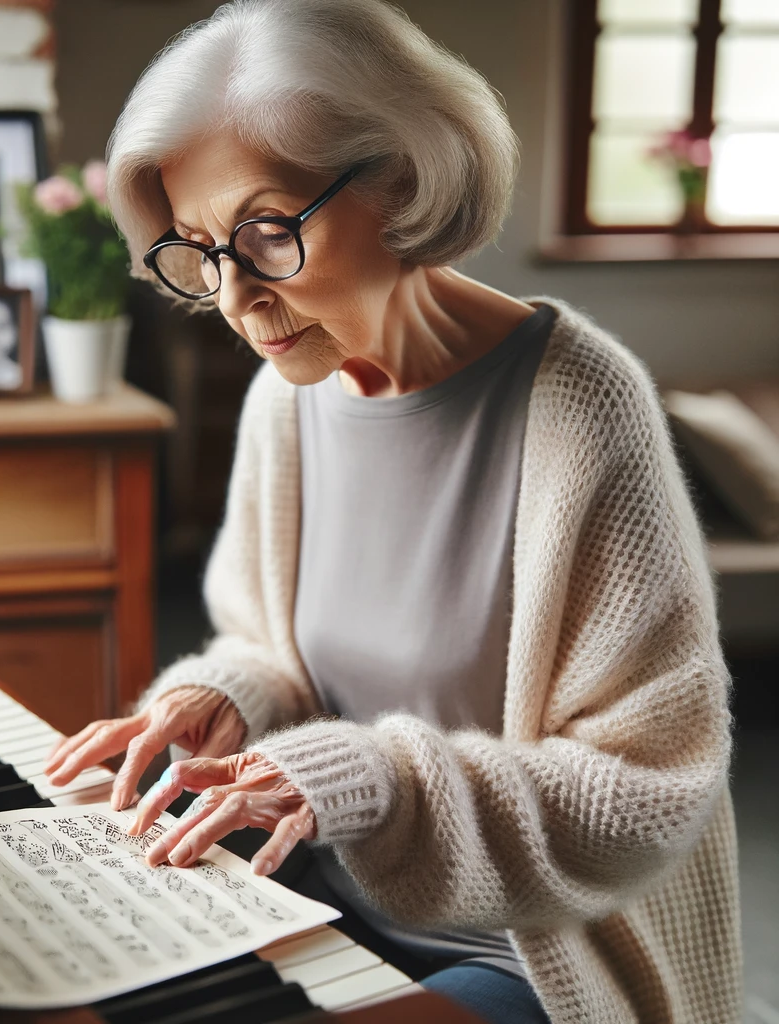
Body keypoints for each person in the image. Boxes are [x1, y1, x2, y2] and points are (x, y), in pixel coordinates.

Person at [44, 2, 741, 1022]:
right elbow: (277, 652)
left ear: (402, 177)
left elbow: (646, 787)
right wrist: (228, 697)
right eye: (199, 252)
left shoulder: (580, 405)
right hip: (321, 894)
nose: (236, 299)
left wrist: (362, 777)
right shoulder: (286, 397)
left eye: (266, 232)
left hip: (532, 949)